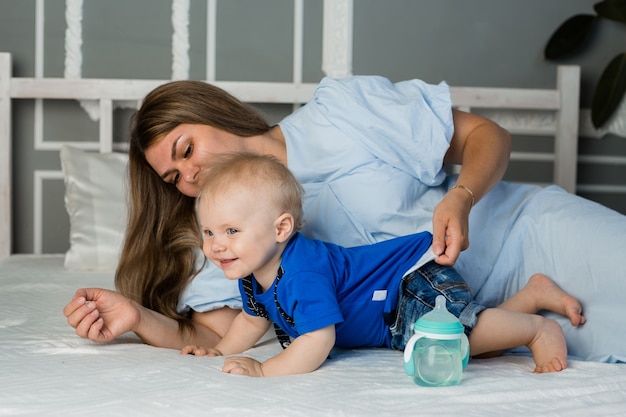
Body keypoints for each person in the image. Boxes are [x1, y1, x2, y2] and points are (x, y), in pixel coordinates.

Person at [63, 75, 626, 363]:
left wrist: (462, 196)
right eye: (172, 179)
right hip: (467, 316)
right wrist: (135, 316)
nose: (189, 177)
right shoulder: (228, 235)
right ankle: (527, 309)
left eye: (186, 150)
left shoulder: (340, 112)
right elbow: (211, 335)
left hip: (526, 231)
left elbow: (486, 135)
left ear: (209, 112)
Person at [180, 152, 584, 377]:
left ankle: (536, 328)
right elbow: (253, 321)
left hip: (408, 286)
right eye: (209, 233)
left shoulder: (301, 271)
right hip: (392, 312)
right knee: (471, 348)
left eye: (231, 231)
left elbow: (317, 341)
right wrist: (219, 351)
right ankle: (530, 297)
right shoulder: (251, 273)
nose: (216, 246)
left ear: (281, 228)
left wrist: (264, 371)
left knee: (449, 343)